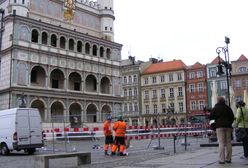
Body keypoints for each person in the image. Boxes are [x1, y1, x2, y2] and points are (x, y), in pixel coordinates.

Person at [210, 96, 234, 164]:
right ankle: (228, 159)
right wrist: (229, 123)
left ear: (217, 101)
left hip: (219, 126)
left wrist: (213, 127)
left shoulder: (215, 108)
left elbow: (211, 118)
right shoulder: (228, 108)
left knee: (221, 143)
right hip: (228, 126)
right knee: (228, 142)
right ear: (224, 101)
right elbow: (232, 117)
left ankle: (222, 160)